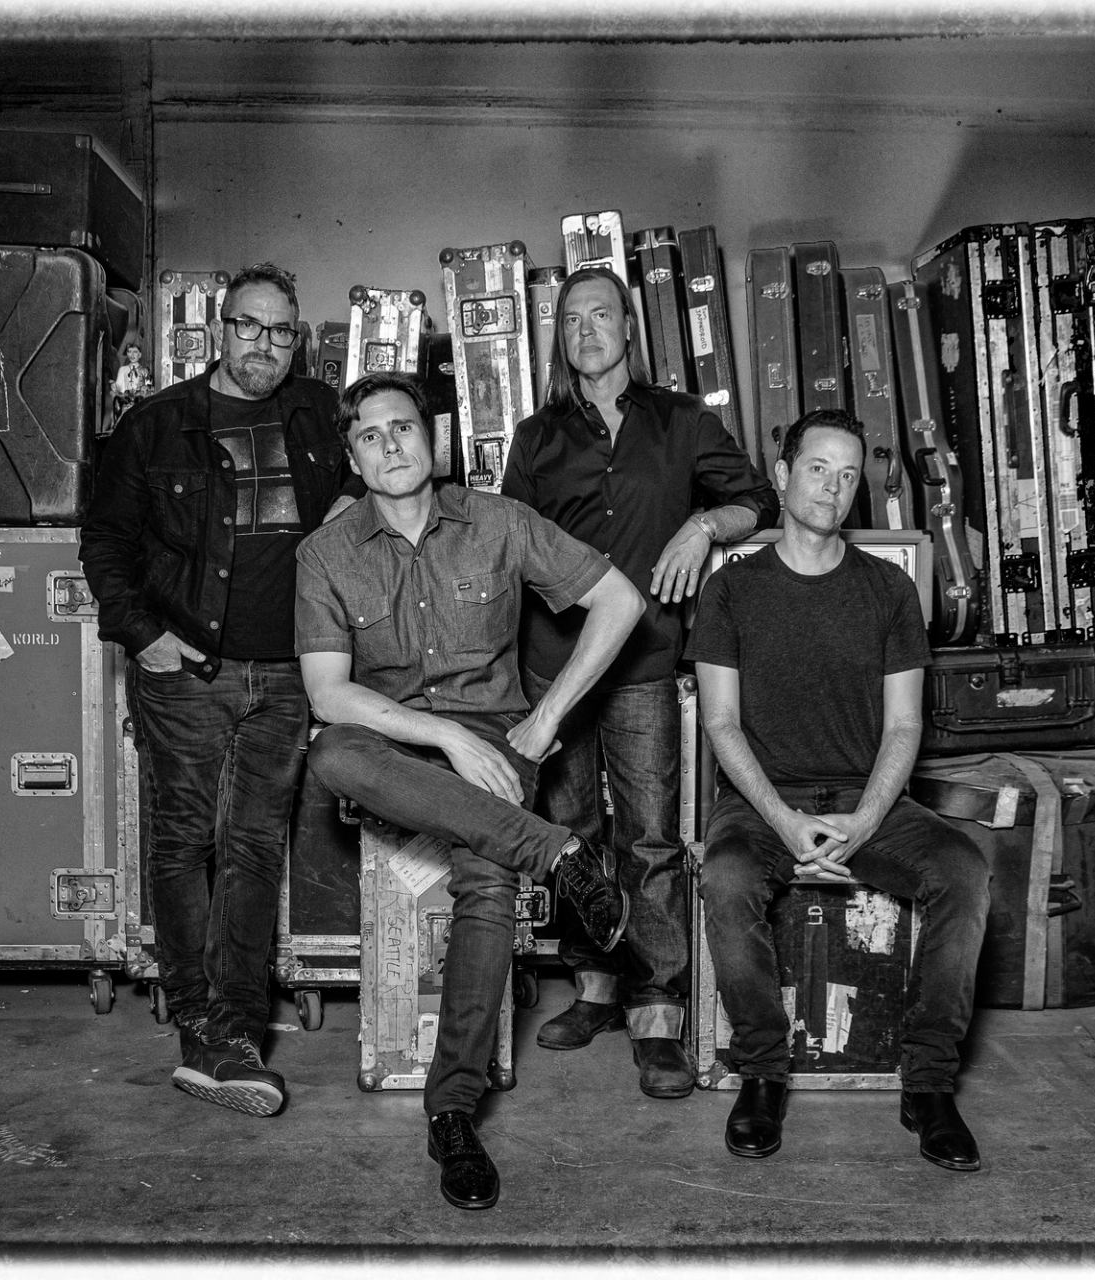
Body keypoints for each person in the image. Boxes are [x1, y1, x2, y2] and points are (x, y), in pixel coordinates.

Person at [296, 371, 644, 1211]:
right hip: (392, 745)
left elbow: (621, 599)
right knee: (330, 753)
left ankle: (450, 1112)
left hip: (498, 744)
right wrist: (441, 734)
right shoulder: (326, 553)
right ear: (353, 457)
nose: (390, 446)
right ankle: (558, 855)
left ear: (433, 439)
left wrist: (544, 720)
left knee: (486, 880)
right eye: (370, 436)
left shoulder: (498, 521)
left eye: (403, 428)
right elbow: (327, 695)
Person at [80, 263, 358, 1119]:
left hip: (285, 673)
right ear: (218, 328)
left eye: (280, 332)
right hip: (186, 667)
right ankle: (200, 1019)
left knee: (253, 847)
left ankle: (232, 1025)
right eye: (248, 326)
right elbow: (105, 543)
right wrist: (147, 638)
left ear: (296, 338)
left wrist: (350, 506)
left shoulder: (318, 409)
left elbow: (378, 469)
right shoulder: (157, 426)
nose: (263, 346)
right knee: (182, 840)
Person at [684, 408, 992, 1171]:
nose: (832, 485)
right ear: (783, 476)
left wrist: (862, 822)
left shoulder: (888, 590)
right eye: (817, 467)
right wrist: (786, 822)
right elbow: (721, 724)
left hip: (869, 798)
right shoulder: (731, 591)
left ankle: (927, 1085)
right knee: (724, 879)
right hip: (763, 802)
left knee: (965, 870)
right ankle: (762, 1071)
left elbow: (902, 729)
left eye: (848, 473)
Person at [503, 265, 777, 1099]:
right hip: (555, 664)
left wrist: (701, 523)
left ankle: (657, 1009)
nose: (587, 329)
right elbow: (508, 544)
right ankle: (598, 986)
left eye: (602, 314)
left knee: (651, 836)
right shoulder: (536, 436)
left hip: (646, 663)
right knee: (574, 836)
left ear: (629, 327)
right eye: (572, 318)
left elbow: (756, 501)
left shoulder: (683, 421)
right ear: (561, 338)